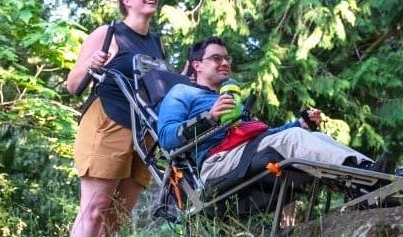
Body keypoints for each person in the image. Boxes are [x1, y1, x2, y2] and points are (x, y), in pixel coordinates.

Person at [157, 37, 379, 191]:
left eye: (227, 58)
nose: (224, 63)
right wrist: (210, 117)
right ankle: (371, 178)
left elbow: (265, 137)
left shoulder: (230, 98)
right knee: (293, 140)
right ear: (197, 65)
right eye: (216, 58)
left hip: (247, 150)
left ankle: (370, 176)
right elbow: (167, 138)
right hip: (216, 162)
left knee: (316, 137)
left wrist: (300, 124)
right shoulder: (182, 92)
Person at [64, 0, 165, 237]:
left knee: (118, 214)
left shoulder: (155, 42)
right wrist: (92, 63)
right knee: (95, 207)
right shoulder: (109, 33)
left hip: (142, 132)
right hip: (107, 121)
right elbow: (72, 84)